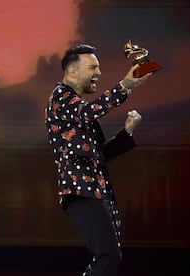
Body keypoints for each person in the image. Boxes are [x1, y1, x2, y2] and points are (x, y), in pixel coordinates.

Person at [44, 44, 152, 276]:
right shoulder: (60, 97)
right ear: (73, 71)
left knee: (109, 258)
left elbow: (99, 155)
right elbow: (89, 112)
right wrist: (124, 86)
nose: (99, 73)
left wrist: (127, 132)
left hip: (95, 189)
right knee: (107, 257)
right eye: (93, 67)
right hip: (81, 190)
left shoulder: (76, 107)